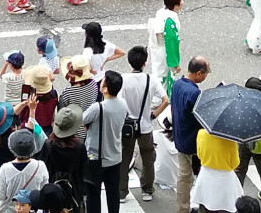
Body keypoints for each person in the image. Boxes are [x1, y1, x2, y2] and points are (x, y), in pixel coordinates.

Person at [119, 46, 168, 203]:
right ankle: (147, 190)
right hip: (145, 125)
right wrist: (154, 114)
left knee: (125, 156)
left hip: (127, 126)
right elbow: (166, 100)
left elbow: (118, 100)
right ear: (145, 63)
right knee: (148, 158)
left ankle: (121, 191)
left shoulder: (123, 79)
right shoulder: (151, 79)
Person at [82, 70, 128, 213]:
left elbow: (82, 119)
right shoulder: (122, 104)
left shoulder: (98, 107)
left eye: (103, 81)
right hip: (115, 157)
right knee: (113, 193)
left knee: (93, 194)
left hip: (96, 158)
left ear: (106, 89)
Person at [171, 56, 209, 213]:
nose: (207, 76)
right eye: (206, 73)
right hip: (193, 143)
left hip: (180, 137)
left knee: (184, 176)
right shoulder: (194, 94)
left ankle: (183, 209)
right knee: (200, 178)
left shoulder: (177, 84)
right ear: (199, 73)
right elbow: (201, 118)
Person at [0, 125, 48, 213]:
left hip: (8, 210)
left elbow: (0, 196)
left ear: (11, 148)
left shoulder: (5, 168)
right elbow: (43, 191)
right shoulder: (40, 166)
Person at [43, 106, 87, 209]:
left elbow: (45, 170)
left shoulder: (48, 145)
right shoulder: (79, 146)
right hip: (74, 192)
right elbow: (83, 172)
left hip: (52, 192)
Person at [190, 128, 243, 213]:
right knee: (226, 208)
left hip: (206, 177)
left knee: (205, 205)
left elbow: (199, 155)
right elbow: (235, 163)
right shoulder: (230, 140)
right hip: (225, 181)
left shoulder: (201, 133)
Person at [148, 0, 183, 95]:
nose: (182, 3)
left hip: (156, 47)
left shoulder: (161, 12)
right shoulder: (170, 20)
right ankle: (159, 101)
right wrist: (175, 63)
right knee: (162, 76)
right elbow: (171, 42)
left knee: (158, 73)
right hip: (164, 50)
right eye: (181, 1)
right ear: (176, 6)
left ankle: (157, 99)